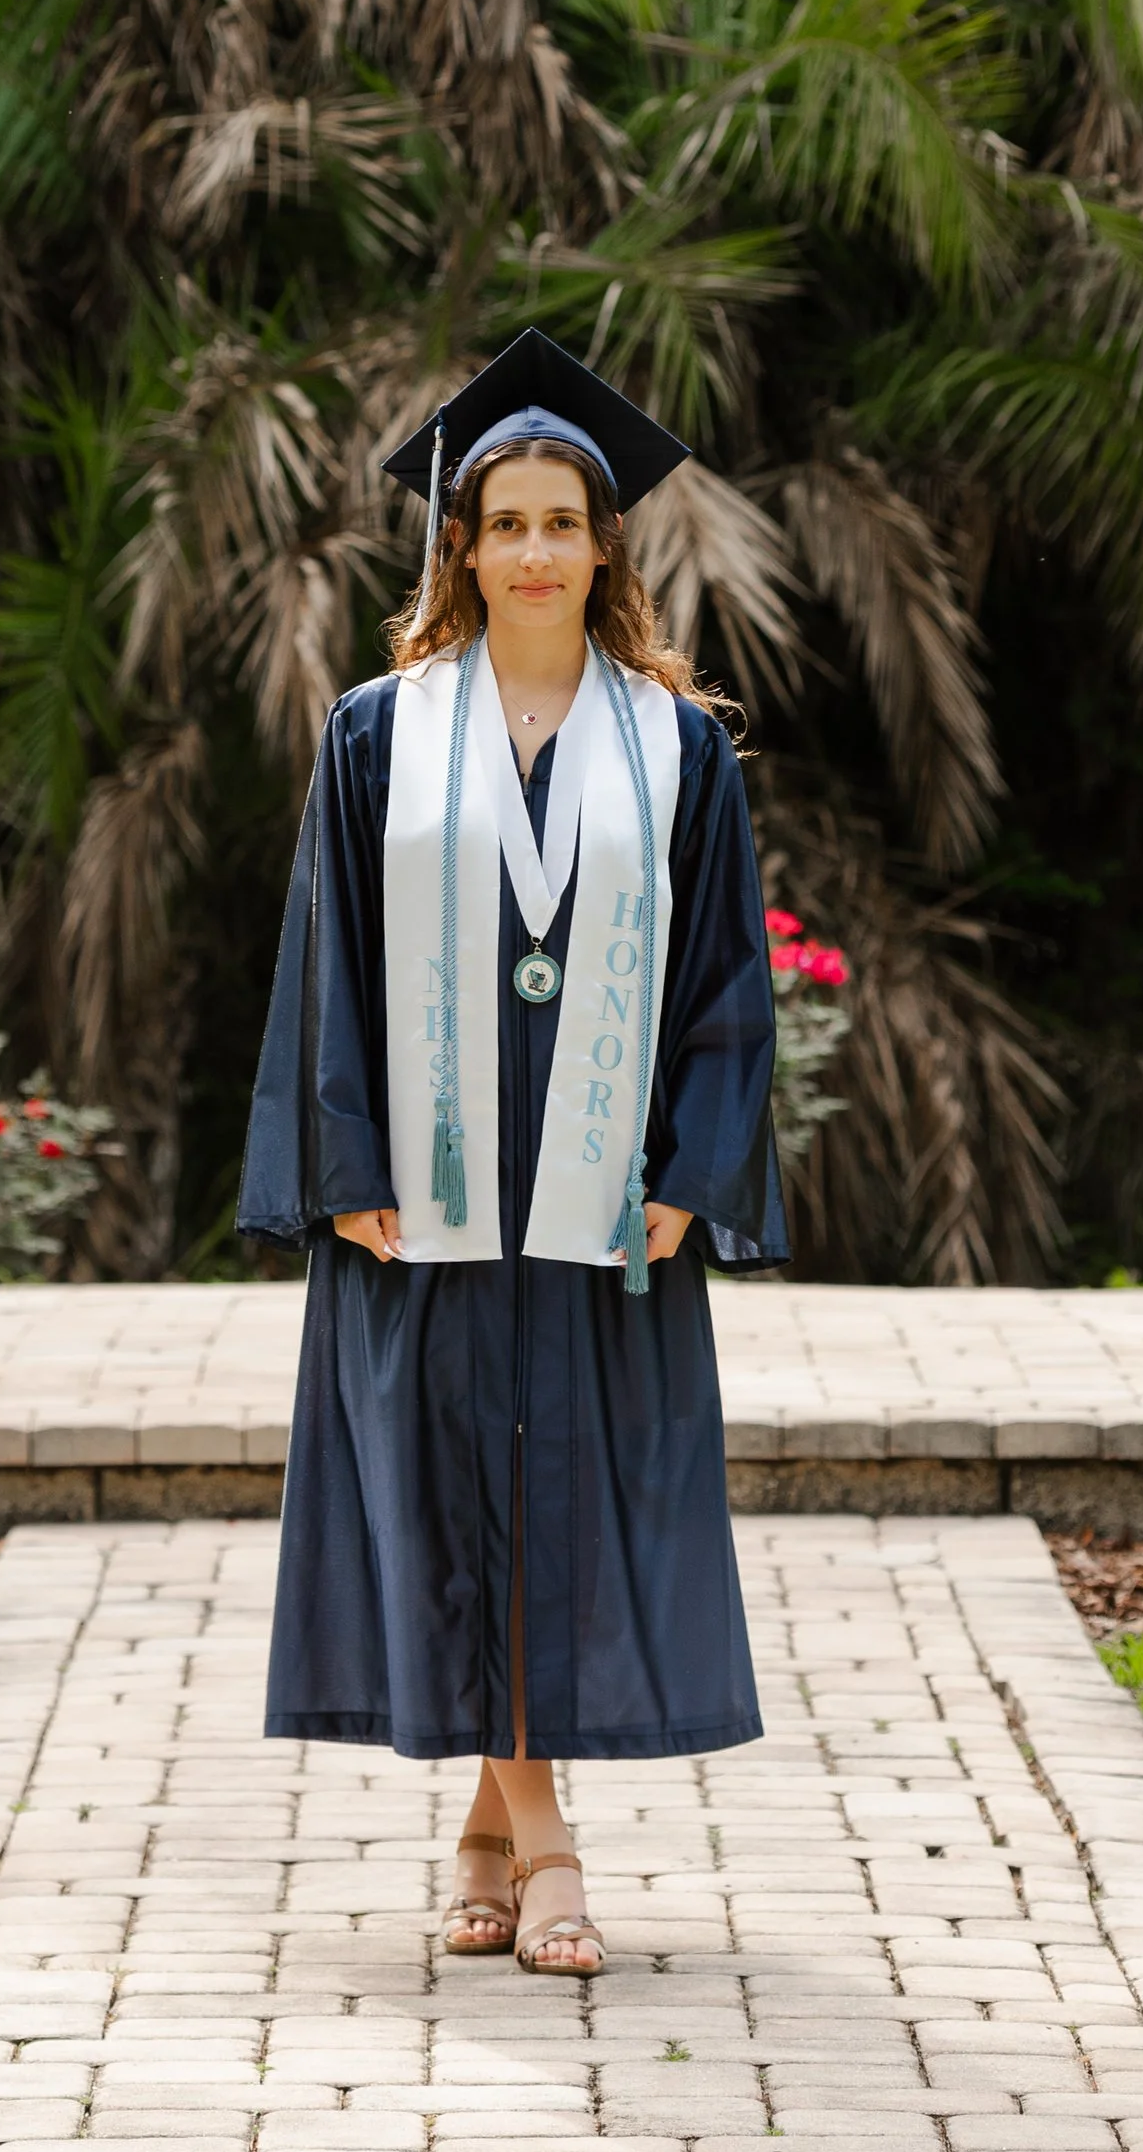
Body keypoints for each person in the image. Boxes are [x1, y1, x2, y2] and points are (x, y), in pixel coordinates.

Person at [239, 327, 785, 1978]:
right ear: (459, 548)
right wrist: (345, 1162)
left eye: (565, 520)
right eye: (507, 522)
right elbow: (323, 955)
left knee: (556, 1502)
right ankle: (546, 1853)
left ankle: (488, 1832)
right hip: (428, 1196)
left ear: (606, 542)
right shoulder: (378, 735)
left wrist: (695, 1169)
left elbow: (728, 977)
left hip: (607, 1195)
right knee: (455, 1499)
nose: (536, 549)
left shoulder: (678, 747)